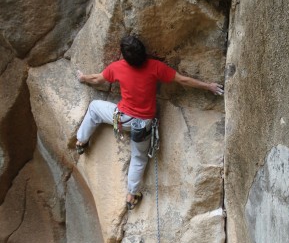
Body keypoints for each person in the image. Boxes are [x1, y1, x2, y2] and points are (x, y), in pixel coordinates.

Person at [76, 35, 224, 210]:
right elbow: (182, 80)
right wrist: (208, 86)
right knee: (138, 158)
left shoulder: (117, 67)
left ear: (124, 56)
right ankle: (131, 195)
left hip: (122, 119)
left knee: (94, 108)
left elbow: (98, 79)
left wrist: (83, 78)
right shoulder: (155, 67)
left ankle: (81, 141)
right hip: (143, 126)